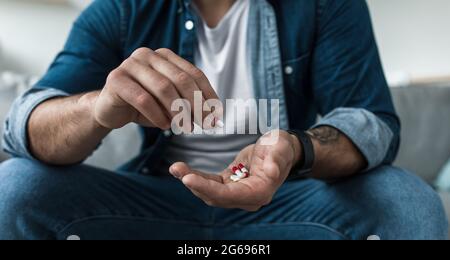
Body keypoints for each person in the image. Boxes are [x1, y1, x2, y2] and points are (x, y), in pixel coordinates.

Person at [0, 0, 447, 240]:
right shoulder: (121, 9)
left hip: (286, 202)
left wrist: (292, 149)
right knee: (14, 185)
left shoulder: (324, 6)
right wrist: (99, 108)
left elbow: (373, 124)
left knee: (407, 200)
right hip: (157, 199)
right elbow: (27, 120)